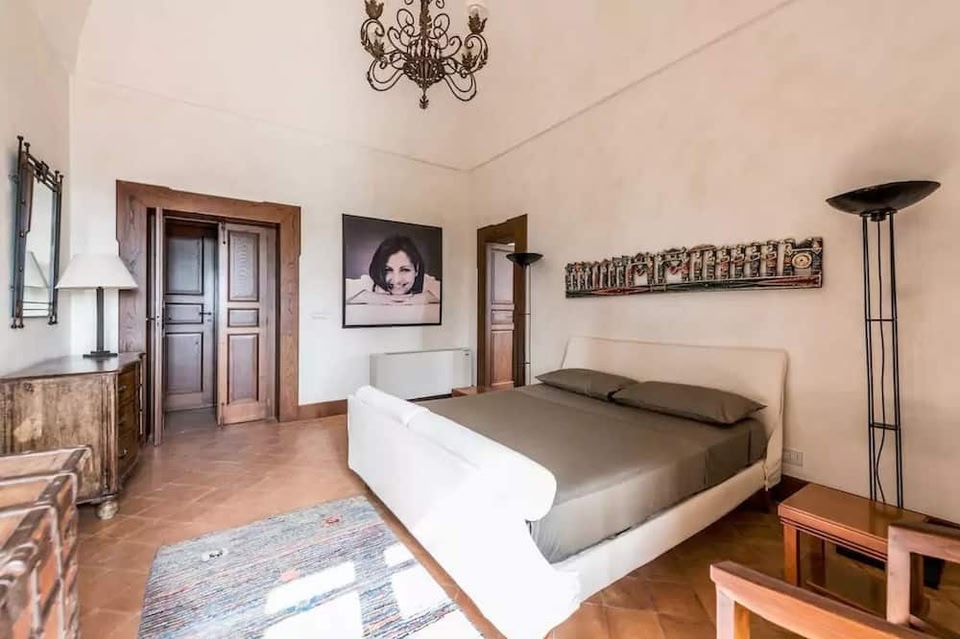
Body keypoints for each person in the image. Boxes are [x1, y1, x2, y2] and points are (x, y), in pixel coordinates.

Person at [346, 235, 440, 306]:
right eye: (388, 270)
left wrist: (424, 298)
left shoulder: (425, 283)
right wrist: (367, 296)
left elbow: (446, 292)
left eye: (405, 270)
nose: (397, 280)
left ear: (417, 269)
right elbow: (340, 290)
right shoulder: (370, 283)